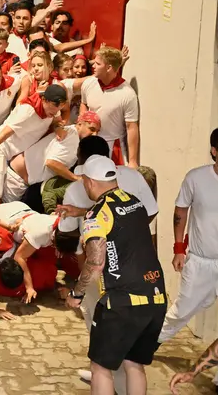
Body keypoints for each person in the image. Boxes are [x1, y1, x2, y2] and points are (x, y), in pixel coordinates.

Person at [66, 155, 167, 395]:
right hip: (155, 298)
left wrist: (76, 293)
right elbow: (115, 218)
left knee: (100, 367)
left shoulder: (96, 216)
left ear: (90, 182)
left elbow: (95, 262)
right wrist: (79, 211)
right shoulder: (135, 202)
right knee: (134, 364)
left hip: (123, 302)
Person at [157, 127, 218, 388]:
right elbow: (180, 211)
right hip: (201, 260)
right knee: (182, 310)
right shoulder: (196, 178)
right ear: (214, 151)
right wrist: (178, 249)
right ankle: (147, 344)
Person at [0, 84, 67, 202]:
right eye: (55, 105)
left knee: (4, 199)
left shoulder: (53, 110)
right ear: (44, 100)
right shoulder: (27, 110)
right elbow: (3, 134)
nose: (57, 110)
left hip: (10, 157)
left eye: (60, 106)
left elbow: (56, 121)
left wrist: (58, 128)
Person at [63, 46, 139, 167]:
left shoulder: (128, 94)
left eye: (97, 64)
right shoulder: (88, 83)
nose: (92, 66)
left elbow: (131, 127)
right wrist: (83, 123)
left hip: (113, 147)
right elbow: (84, 103)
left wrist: (133, 160)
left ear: (109, 68)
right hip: (89, 143)